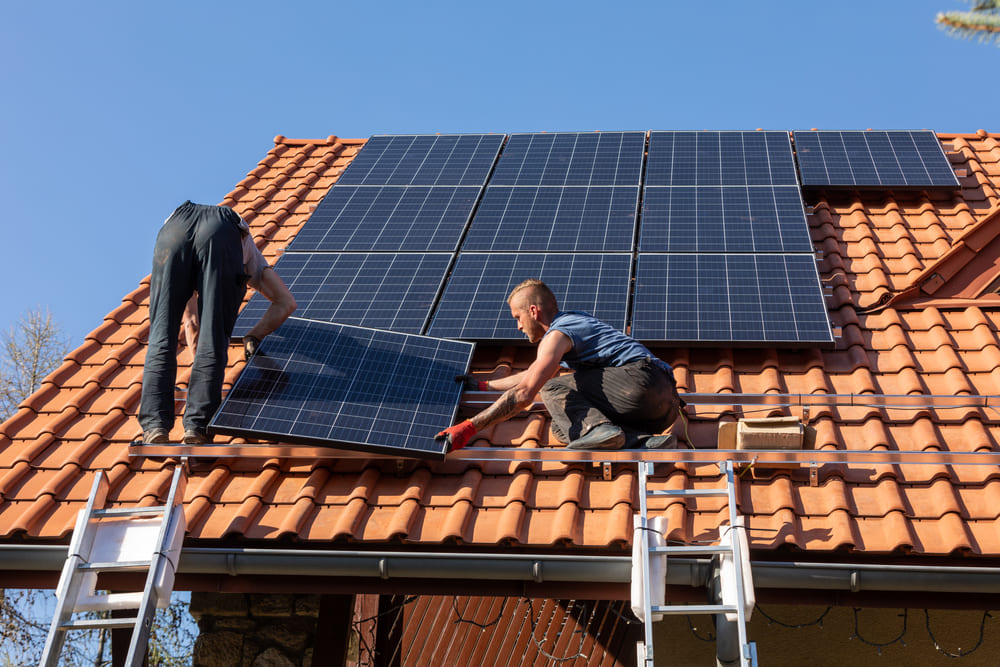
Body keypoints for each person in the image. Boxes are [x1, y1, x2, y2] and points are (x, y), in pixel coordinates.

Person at [436, 279, 682, 452]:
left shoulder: (558, 333)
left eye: (518, 318)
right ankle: (640, 442)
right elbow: (532, 372)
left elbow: (525, 393)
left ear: (533, 311)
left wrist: (469, 427)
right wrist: (484, 385)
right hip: (662, 409)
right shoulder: (576, 325)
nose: (518, 327)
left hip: (640, 380)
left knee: (551, 388)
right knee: (564, 427)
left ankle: (603, 431)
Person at [138, 201, 297, 444]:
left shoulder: (189, 236)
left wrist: (196, 365)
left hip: (174, 228)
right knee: (214, 335)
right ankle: (197, 427)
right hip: (221, 230)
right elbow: (286, 303)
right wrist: (253, 335)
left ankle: (154, 427)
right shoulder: (251, 258)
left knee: (161, 336)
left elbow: (190, 322)